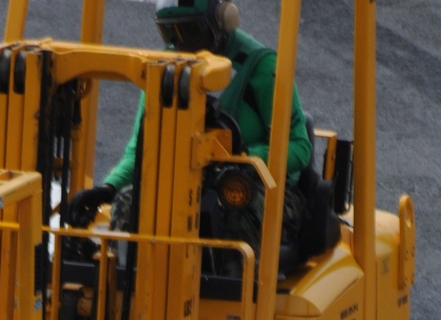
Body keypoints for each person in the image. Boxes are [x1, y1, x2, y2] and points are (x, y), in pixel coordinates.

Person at [66, 0, 311, 251]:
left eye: (189, 31)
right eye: (170, 33)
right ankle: (129, 273)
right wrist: (108, 188)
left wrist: (239, 159)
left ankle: (240, 275)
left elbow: (300, 147)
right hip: (188, 183)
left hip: (252, 188)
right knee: (130, 203)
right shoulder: (164, 68)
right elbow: (142, 148)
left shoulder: (262, 67)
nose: (180, 44)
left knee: (232, 212)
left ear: (221, 20)